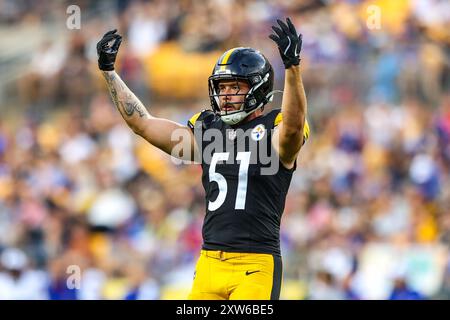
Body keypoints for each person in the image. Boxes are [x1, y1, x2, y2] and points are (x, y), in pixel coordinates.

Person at [97, 17, 309, 300]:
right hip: (209, 263)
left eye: (235, 87)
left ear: (258, 88)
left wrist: (292, 68)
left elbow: (293, 128)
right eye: (222, 88)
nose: (226, 95)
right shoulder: (209, 130)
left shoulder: (273, 128)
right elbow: (143, 124)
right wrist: (110, 73)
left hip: (255, 265)